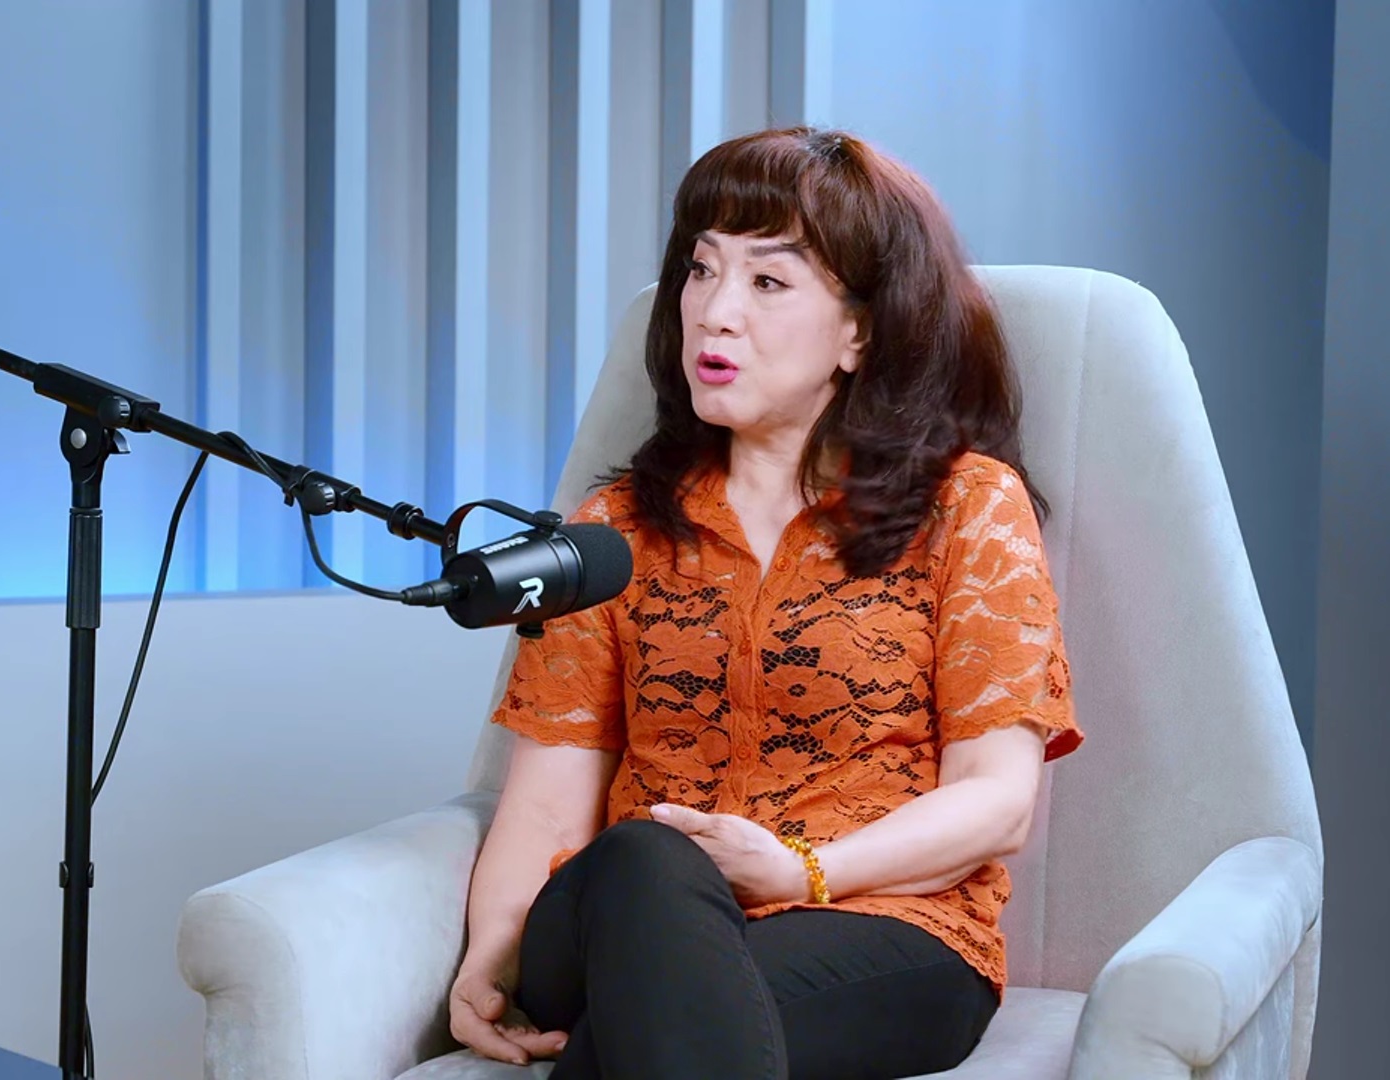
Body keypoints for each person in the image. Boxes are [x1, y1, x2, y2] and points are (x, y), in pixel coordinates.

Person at [448, 127, 1082, 1080]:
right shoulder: (614, 529)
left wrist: (801, 872)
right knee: (648, 858)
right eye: (701, 271)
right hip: (621, 916)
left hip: (883, 928)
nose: (714, 313)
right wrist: (485, 963)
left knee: (655, 1025)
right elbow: (545, 803)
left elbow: (996, 803)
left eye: (768, 281)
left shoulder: (966, 508)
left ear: (860, 332)